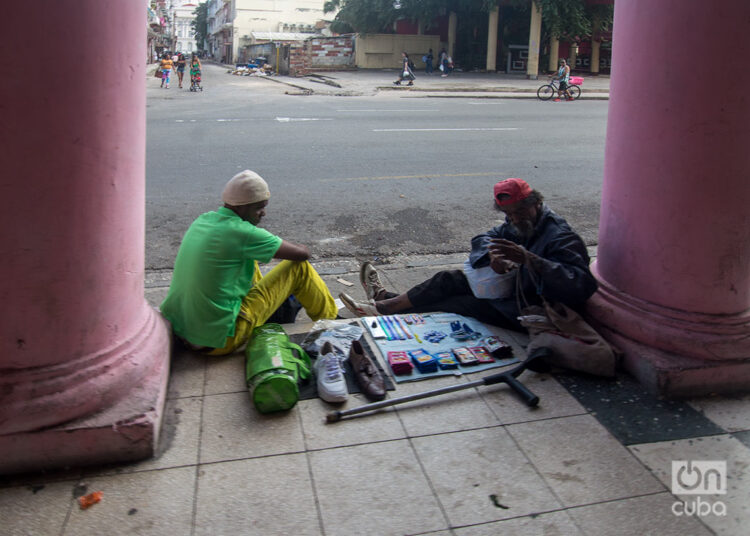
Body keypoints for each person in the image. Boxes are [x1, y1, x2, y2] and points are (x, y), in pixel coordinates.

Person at [339, 178, 597, 331]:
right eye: (509, 215)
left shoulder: (561, 236)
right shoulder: (517, 225)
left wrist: (529, 260)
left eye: (520, 213)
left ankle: (382, 308)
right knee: (448, 279)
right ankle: (383, 303)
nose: (514, 220)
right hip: (511, 288)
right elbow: (484, 238)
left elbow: (581, 285)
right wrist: (495, 255)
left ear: (536, 204)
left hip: (532, 306)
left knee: (459, 305)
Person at [160, 170, 339, 355]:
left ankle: (268, 311)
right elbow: (302, 255)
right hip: (220, 340)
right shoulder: (242, 233)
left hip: (185, 333)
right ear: (241, 207)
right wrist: (301, 245)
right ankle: (332, 322)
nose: (263, 213)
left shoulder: (203, 220)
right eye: (259, 208)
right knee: (299, 269)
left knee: (246, 259)